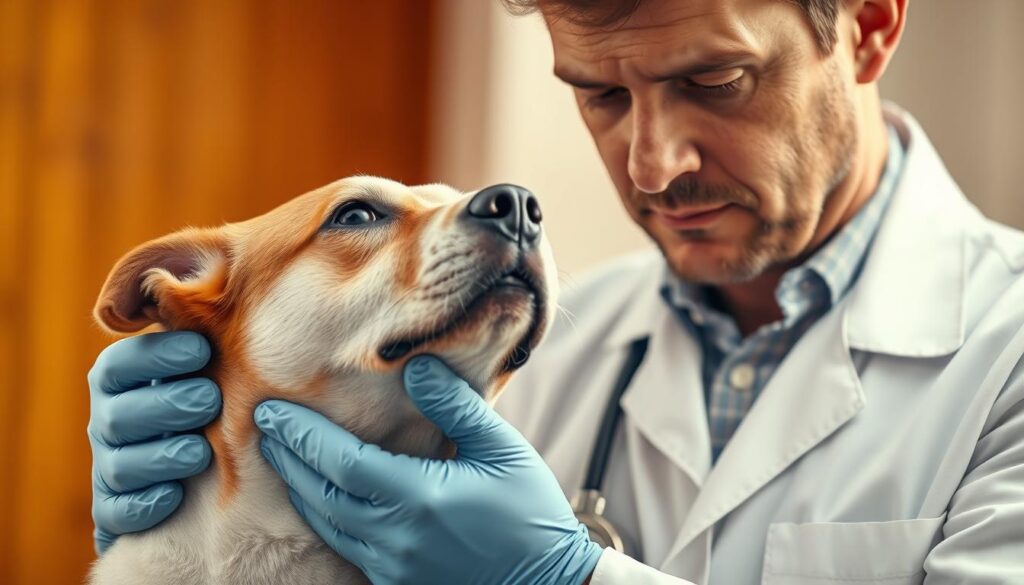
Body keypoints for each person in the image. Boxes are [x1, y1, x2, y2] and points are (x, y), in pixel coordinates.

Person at [87, 0, 1024, 583]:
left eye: (716, 80)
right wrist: (196, 519)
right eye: (601, 97)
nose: (654, 168)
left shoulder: (1004, 349)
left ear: (868, 26)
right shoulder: (542, 343)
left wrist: (571, 582)